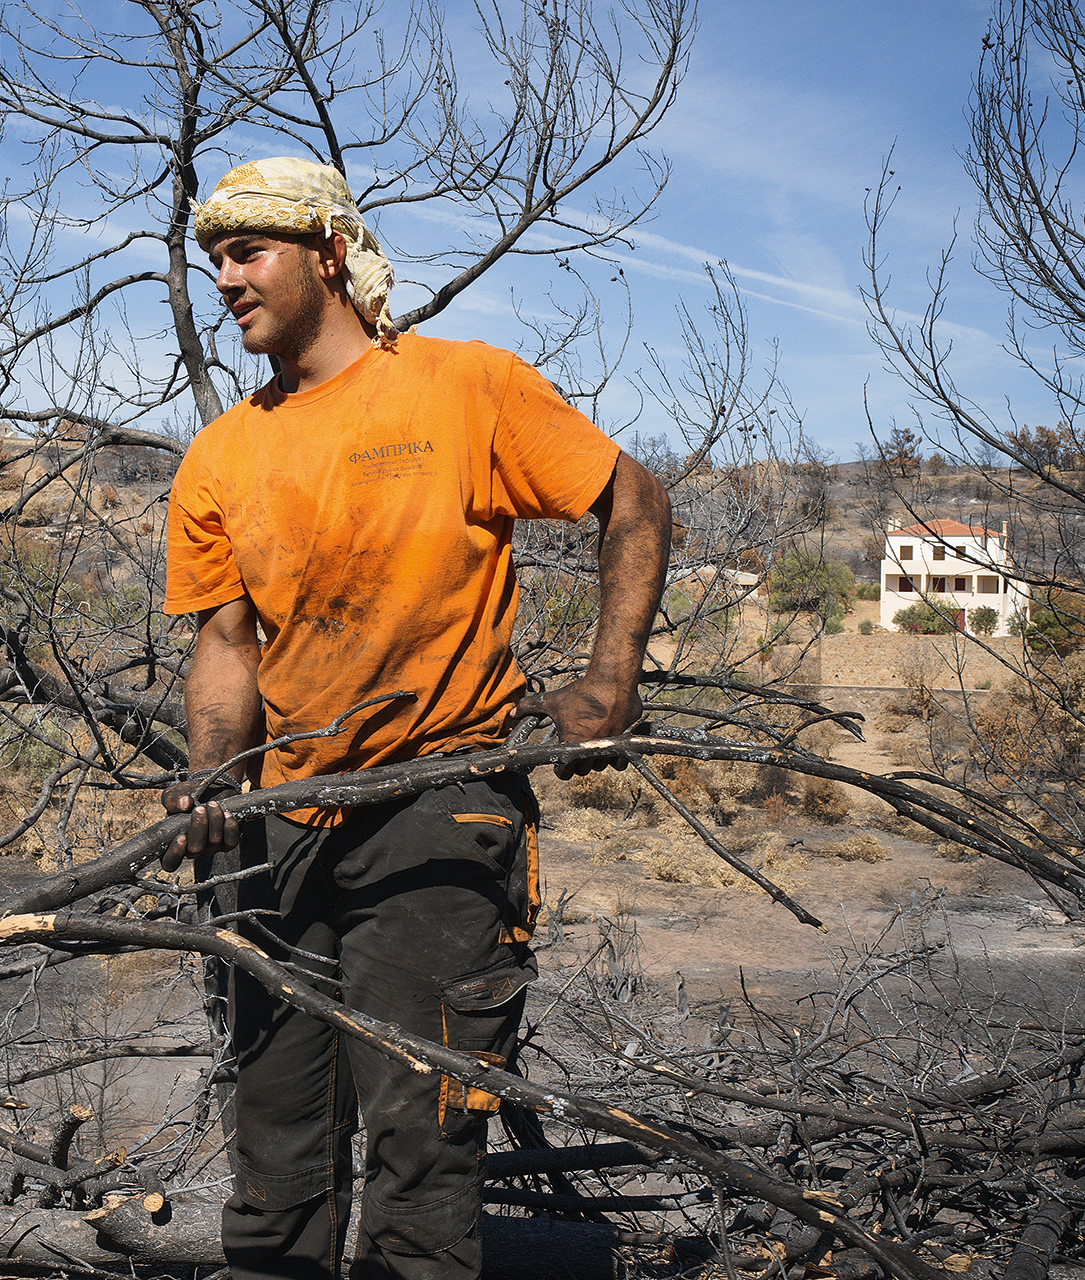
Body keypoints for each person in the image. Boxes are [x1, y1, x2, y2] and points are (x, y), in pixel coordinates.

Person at [159, 157, 671, 1280]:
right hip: (283, 820)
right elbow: (226, 645)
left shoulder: (462, 388)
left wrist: (610, 676)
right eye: (215, 261)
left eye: (249, 254)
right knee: (275, 1155)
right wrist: (211, 771)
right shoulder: (223, 452)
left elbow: (632, 495)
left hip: (443, 809)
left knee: (420, 1156)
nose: (227, 280)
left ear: (329, 254)